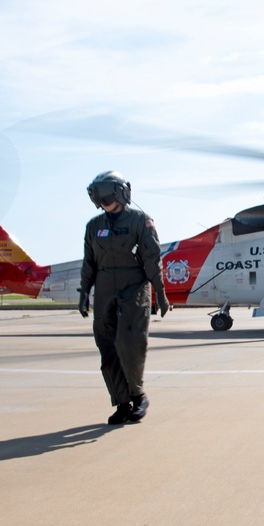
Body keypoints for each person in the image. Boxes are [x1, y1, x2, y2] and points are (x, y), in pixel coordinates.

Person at [78, 171, 169, 425]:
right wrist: (85, 292)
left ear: (121, 193)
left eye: (107, 193)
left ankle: (138, 395)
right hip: (105, 286)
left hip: (134, 285)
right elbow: (89, 263)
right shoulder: (94, 226)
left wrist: (160, 292)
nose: (103, 200)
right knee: (107, 347)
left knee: (130, 343)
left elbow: (152, 259)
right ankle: (121, 402)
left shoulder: (141, 221)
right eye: (98, 195)